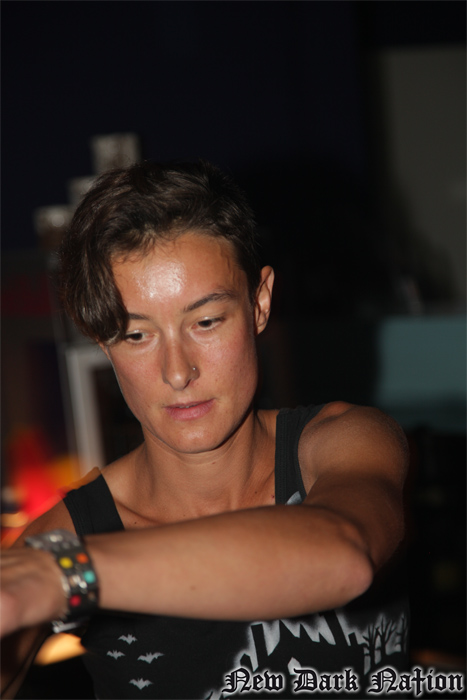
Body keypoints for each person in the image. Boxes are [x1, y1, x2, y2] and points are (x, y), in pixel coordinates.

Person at [1, 160, 409, 699]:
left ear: (259, 303)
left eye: (206, 322)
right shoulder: (65, 536)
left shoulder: (344, 443)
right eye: (136, 335)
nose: (177, 372)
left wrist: (67, 575)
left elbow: (344, 555)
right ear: (102, 341)